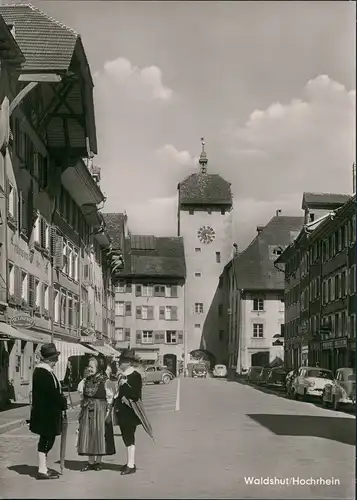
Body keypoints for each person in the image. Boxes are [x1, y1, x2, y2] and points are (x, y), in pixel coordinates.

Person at [29, 343, 67, 480]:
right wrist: (62, 402)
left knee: (47, 439)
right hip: (45, 413)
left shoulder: (46, 371)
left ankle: (43, 467)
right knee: (46, 440)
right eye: (55, 359)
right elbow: (52, 393)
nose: (56, 362)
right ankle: (42, 469)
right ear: (49, 359)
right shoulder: (42, 372)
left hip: (48, 412)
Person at [77, 356, 116, 471]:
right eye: (88, 366)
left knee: (99, 435)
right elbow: (81, 396)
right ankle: (90, 461)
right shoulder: (85, 381)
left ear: (99, 367)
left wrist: (107, 412)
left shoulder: (106, 381)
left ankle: (98, 462)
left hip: (100, 409)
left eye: (92, 367)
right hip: (87, 409)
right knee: (88, 434)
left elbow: (110, 398)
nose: (89, 369)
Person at [114, 349, 145, 475]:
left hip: (130, 412)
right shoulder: (123, 374)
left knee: (129, 437)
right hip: (122, 411)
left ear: (127, 362)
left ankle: (131, 465)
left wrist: (125, 384)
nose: (119, 363)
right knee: (125, 437)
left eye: (120, 361)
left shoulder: (135, 376)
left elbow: (136, 395)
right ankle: (129, 463)